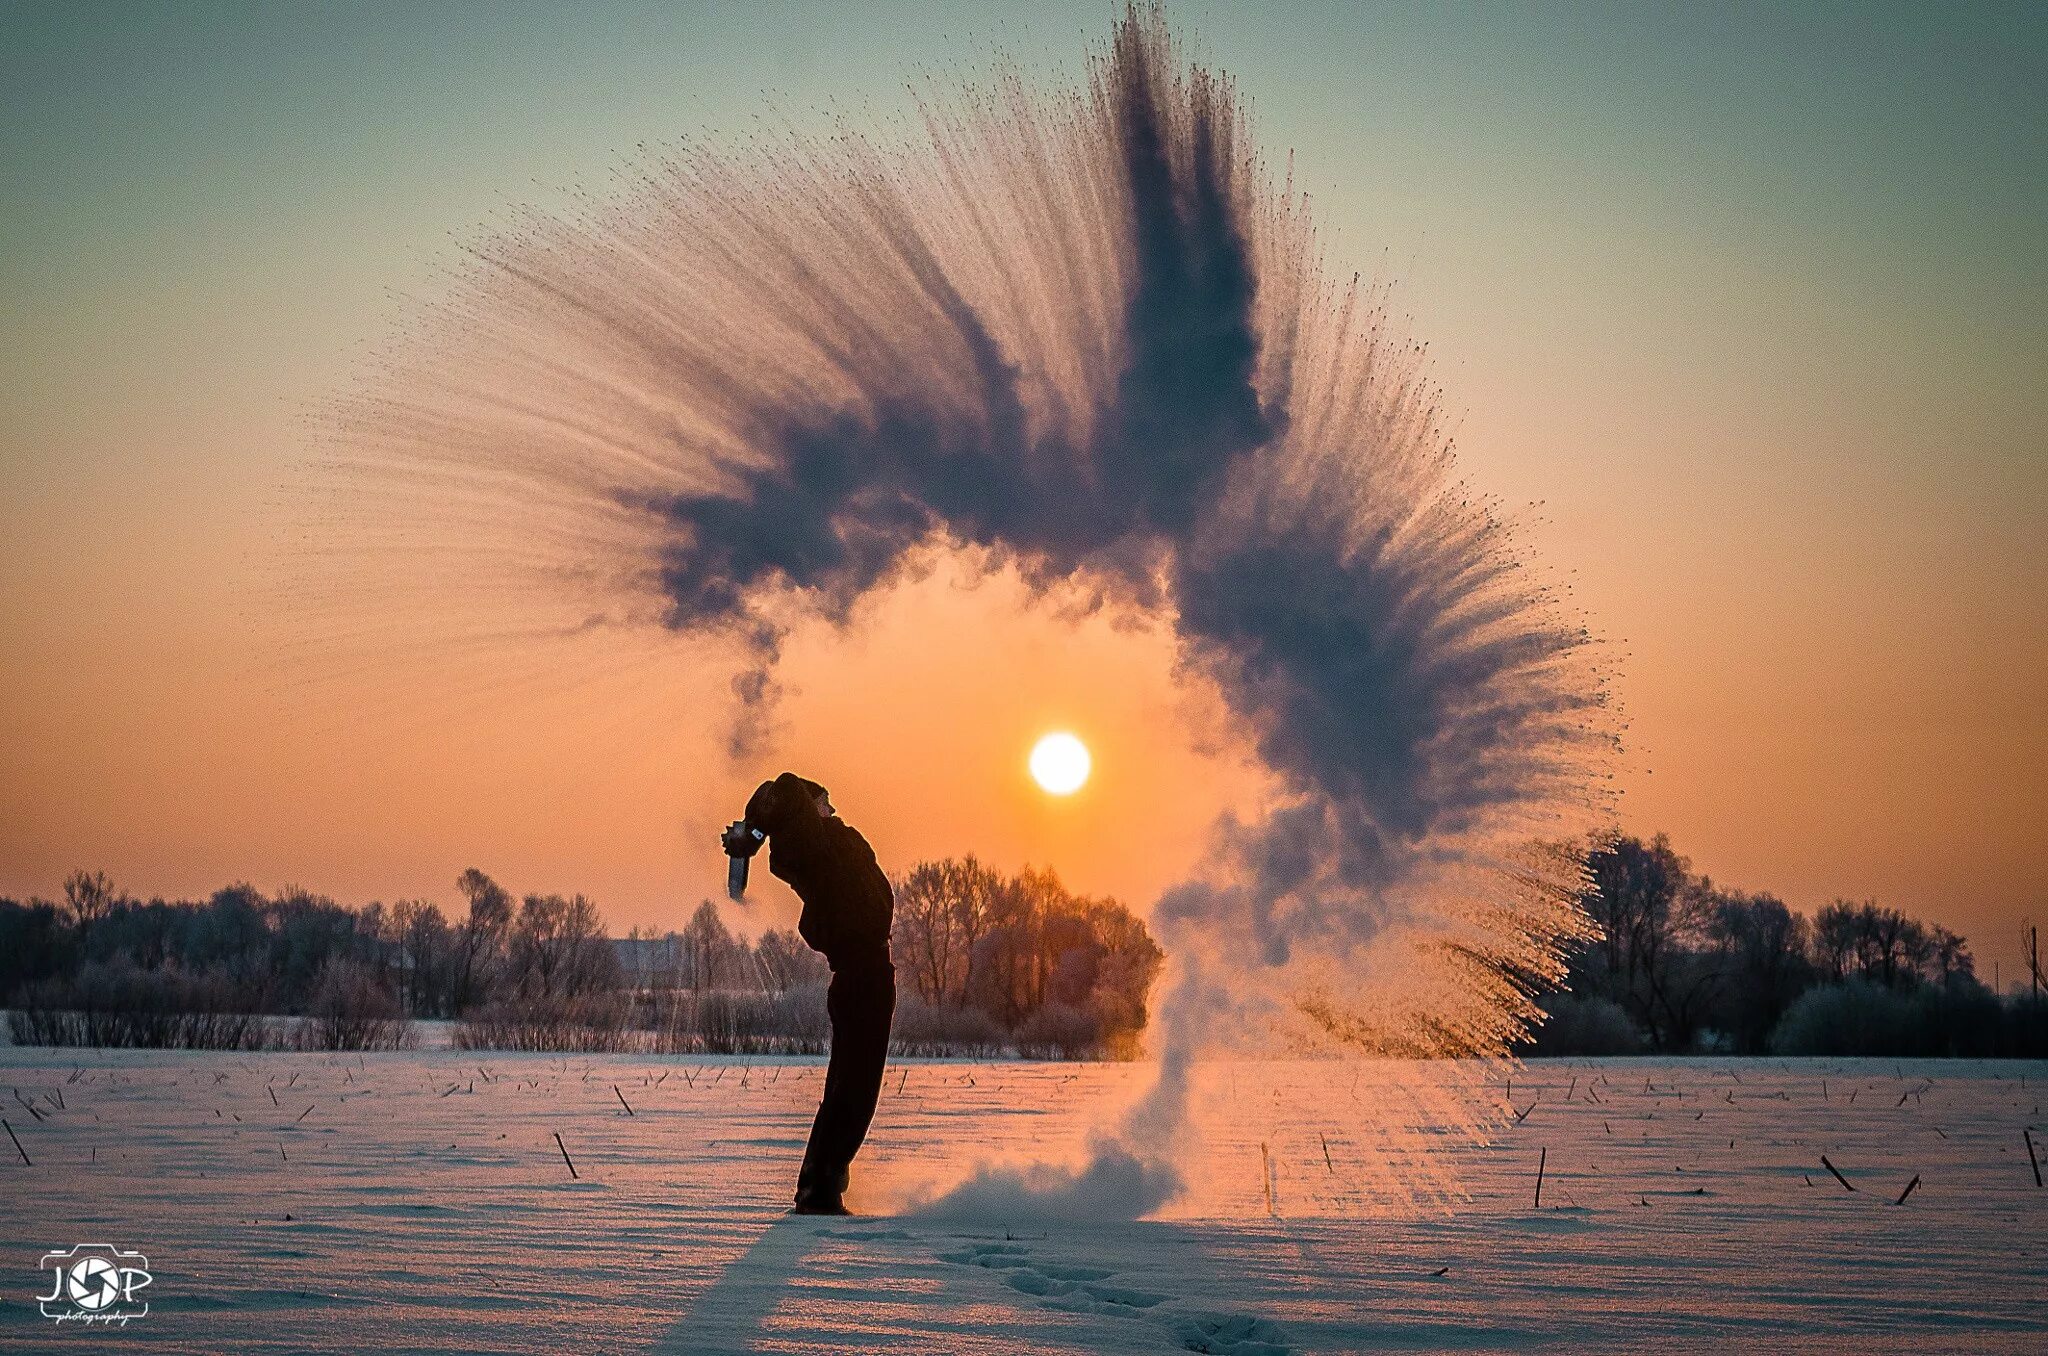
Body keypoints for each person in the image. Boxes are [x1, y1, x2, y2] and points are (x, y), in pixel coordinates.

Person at [728, 772, 895, 1215]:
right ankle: (819, 1190)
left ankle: (821, 1183)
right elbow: (780, 788)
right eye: (824, 801)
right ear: (805, 807)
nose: (832, 810)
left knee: (850, 1088)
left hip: (865, 974)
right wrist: (758, 830)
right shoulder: (811, 847)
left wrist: (757, 833)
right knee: (853, 1092)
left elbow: (783, 805)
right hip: (862, 975)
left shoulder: (820, 846)